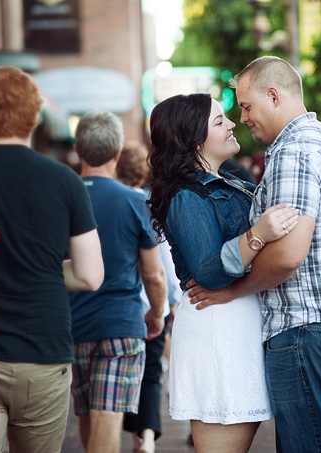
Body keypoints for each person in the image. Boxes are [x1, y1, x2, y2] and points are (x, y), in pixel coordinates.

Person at [188, 56, 321, 452]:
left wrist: (230, 292)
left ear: (273, 95)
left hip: (311, 331)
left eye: (245, 106)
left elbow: (289, 254)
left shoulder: (294, 150)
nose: (243, 118)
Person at [0, 66, 104, 453]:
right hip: (43, 352)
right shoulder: (64, 180)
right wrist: (46, 270)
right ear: (34, 117)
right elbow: (90, 275)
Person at [146, 92, 299, 453]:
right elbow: (209, 272)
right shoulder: (186, 195)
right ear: (193, 140)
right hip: (217, 327)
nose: (232, 124)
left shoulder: (234, 182)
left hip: (240, 324)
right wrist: (258, 235)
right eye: (219, 121)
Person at [69, 111, 167, 453]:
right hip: (122, 325)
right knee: (107, 415)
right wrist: (158, 313)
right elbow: (153, 274)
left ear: (77, 149)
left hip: (73, 325)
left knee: (86, 413)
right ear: (117, 152)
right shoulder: (136, 201)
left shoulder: (62, 197)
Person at [117, 141, 182, 453]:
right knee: (151, 373)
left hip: (124, 307)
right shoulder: (150, 206)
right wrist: (171, 300)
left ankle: (133, 436)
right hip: (152, 304)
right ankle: (145, 437)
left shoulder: (113, 203)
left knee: (129, 374)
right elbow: (163, 261)